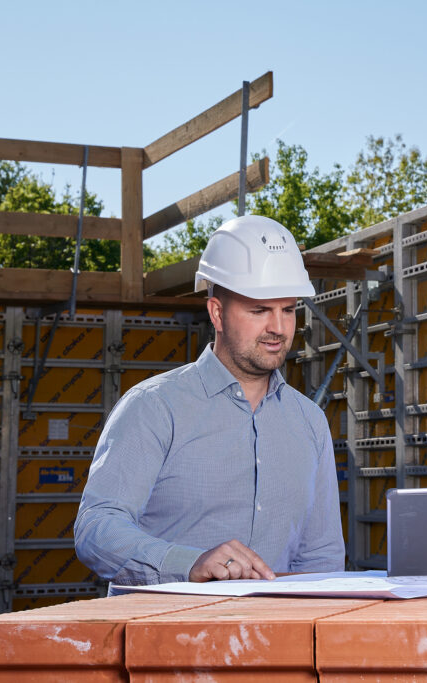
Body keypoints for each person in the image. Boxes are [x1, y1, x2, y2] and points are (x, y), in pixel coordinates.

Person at [75, 215, 344, 588]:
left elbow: (321, 558)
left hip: (273, 642)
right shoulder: (153, 408)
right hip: (165, 638)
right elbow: (97, 529)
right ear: (217, 312)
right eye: (259, 310)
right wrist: (187, 564)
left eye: (288, 309)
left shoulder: (310, 422)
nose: (279, 328)